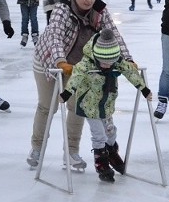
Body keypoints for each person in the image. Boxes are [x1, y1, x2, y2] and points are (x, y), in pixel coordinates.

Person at [28, 0, 136, 171]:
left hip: (78, 66)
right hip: (47, 62)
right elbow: (55, 37)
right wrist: (60, 61)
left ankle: (71, 151)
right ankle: (37, 148)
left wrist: (127, 59)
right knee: (47, 106)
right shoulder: (62, 9)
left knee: (77, 107)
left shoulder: (99, 12)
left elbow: (115, 37)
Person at [59, 28, 152, 182]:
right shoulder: (87, 62)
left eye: (111, 63)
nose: (107, 66)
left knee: (110, 132)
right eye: (103, 62)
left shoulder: (117, 61)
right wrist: (67, 93)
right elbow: (76, 76)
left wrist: (144, 88)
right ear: (96, 56)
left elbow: (130, 72)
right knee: (99, 135)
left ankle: (111, 153)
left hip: (106, 104)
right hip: (89, 105)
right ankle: (101, 163)